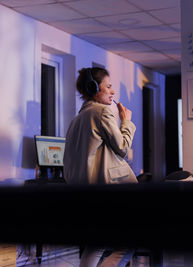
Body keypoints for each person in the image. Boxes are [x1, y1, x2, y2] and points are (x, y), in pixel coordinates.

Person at [63, 67, 137, 267]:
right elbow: (122, 147)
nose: (113, 91)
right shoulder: (102, 112)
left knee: (96, 244)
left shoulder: (77, 119)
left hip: (85, 192)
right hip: (107, 190)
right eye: (109, 86)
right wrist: (127, 122)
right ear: (94, 88)